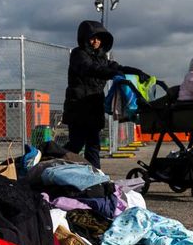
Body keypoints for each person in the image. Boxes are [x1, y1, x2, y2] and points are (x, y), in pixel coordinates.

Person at [62, 20, 148, 168]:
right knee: (76, 144)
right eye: (92, 38)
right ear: (84, 38)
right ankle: (56, 166)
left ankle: (96, 174)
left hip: (94, 107)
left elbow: (117, 67)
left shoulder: (102, 58)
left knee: (94, 145)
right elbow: (90, 68)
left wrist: (135, 72)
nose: (96, 41)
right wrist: (113, 73)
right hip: (78, 108)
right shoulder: (78, 54)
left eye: (99, 38)